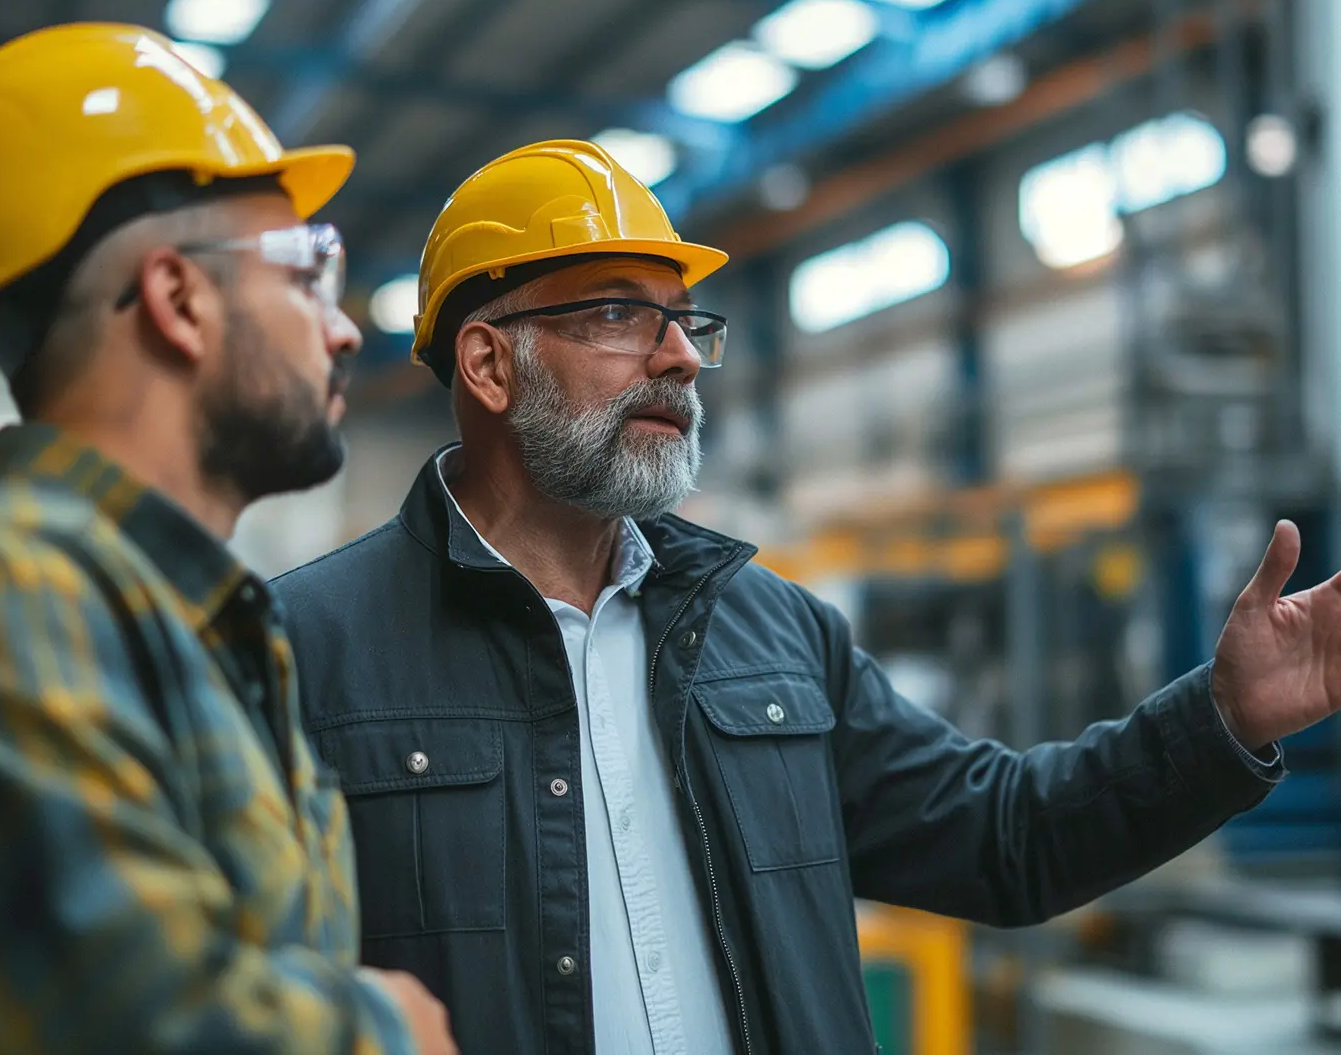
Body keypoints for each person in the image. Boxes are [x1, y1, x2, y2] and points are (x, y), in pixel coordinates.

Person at [271, 138, 1339, 1055]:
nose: (680, 356)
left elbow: (1008, 836)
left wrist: (1223, 717)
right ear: (488, 363)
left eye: (685, 321)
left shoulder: (768, 632)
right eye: (616, 314)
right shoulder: (303, 650)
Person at [0, 23, 456, 1055]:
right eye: (306, 270)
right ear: (177, 299)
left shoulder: (196, 624)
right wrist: (391, 1028)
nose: (342, 327)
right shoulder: (6, 586)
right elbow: (137, 1020)